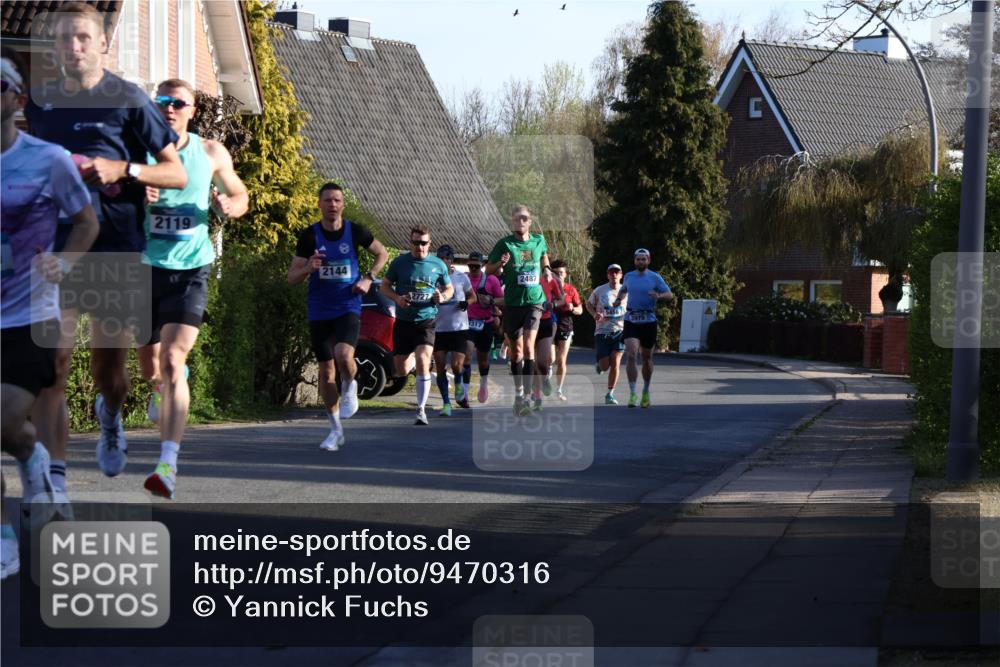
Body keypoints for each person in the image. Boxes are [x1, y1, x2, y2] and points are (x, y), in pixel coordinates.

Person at [26, 2, 187, 489]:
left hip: (116, 246)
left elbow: (174, 172)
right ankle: (54, 476)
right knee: (53, 363)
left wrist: (127, 170)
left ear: (102, 44)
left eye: (82, 38)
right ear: (55, 47)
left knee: (109, 371)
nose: (73, 47)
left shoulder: (129, 99)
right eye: (64, 39)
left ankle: (110, 418)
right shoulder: (41, 102)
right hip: (57, 248)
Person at [1, 46, 100, 577]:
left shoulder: (47, 160)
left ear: (17, 98)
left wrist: (64, 261)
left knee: (3, 421)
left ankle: (33, 456)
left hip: (28, 317)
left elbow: (86, 222)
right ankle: (4, 540)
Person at [132, 79, 249, 498]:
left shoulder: (211, 152)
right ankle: (161, 388)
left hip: (191, 268)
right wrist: (134, 194)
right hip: (146, 268)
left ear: (192, 110)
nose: (169, 107)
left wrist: (233, 205)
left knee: (174, 356)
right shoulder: (138, 149)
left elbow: (240, 192)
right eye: (161, 101)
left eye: (178, 102)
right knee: (151, 368)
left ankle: (167, 464)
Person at [289, 182, 389, 450]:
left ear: (342, 204)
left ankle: (351, 382)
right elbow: (292, 277)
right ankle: (335, 430)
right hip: (319, 309)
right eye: (328, 201)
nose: (332, 205)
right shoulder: (309, 236)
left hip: (348, 305)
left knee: (344, 355)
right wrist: (309, 268)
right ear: (319, 204)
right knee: (325, 370)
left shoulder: (355, 231)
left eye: (337, 200)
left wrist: (369, 278)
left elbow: (382, 253)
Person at [380, 225, 453, 425]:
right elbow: (384, 286)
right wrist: (397, 298)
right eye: (415, 243)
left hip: (426, 320)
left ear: (430, 244)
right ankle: (411, 358)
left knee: (423, 359)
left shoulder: (438, 264)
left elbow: (449, 288)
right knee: (401, 370)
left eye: (423, 243)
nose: (419, 247)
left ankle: (421, 410)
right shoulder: (400, 263)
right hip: (404, 321)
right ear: (410, 242)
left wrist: (443, 296)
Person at [486, 206, 550, 417]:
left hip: (534, 301)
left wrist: (547, 269)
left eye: (524, 218)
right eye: (517, 219)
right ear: (512, 222)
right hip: (513, 303)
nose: (521, 222)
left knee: (530, 348)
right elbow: (489, 270)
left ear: (530, 221)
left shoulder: (539, 240)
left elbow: (544, 257)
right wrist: (499, 264)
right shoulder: (504, 244)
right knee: (517, 352)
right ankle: (519, 395)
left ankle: (529, 395)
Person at [613, 248, 673, 408]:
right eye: (638, 259)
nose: (641, 262)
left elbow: (670, 294)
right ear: (634, 261)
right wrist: (619, 299)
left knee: (646, 358)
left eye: (643, 259)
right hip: (631, 318)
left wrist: (659, 296)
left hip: (648, 320)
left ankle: (645, 391)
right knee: (631, 355)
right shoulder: (629, 276)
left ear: (648, 260)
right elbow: (624, 289)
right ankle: (633, 393)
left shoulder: (655, 277)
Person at [432, 245, 476, 416]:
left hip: (459, 328)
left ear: (451, 260)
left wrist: (467, 303)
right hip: (439, 329)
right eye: (440, 259)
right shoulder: (433, 277)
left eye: (446, 259)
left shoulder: (461, 277)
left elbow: (473, 296)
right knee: (441, 367)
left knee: (457, 366)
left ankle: (458, 382)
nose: (444, 262)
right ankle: (446, 404)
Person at [464, 251, 504, 404]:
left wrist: (491, 301)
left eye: (476, 266)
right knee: (466, 355)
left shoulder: (491, 280)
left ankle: (483, 383)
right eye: (471, 266)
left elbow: (503, 300)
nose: (473, 269)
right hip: (467, 323)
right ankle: (465, 393)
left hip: (485, 323)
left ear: (482, 266)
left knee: (483, 361)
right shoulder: (464, 278)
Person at [586, 264, 628, 405]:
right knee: (605, 366)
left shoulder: (626, 291)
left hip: (619, 331)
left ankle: (610, 394)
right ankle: (600, 365)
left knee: (616, 363)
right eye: (611, 272)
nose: (614, 275)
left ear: (621, 275)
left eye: (617, 272)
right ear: (608, 275)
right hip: (602, 331)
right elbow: (588, 303)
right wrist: (594, 314)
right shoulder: (600, 290)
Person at [529, 267, 563, 411]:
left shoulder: (550, 280)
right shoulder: (524, 280)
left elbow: (561, 299)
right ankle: (537, 396)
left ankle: (545, 379)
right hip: (529, 321)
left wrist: (553, 304)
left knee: (542, 362)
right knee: (531, 361)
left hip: (546, 322)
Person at [550, 259, 583, 401]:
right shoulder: (546, 288)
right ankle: (547, 374)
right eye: (556, 273)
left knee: (561, 360)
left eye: (561, 273)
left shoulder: (571, 289)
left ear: (565, 274)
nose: (559, 275)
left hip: (565, 325)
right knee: (550, 358)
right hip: (549, 323)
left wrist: (573, 309)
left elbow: (580, 310)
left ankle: (559, 390)